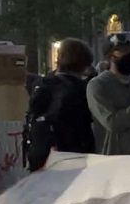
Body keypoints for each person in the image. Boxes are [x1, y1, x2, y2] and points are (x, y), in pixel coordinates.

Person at [26, 38, 96, 171]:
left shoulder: (41, 83)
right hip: (72, 153)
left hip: (42, 153)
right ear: (84, 63)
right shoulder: (81, 88)